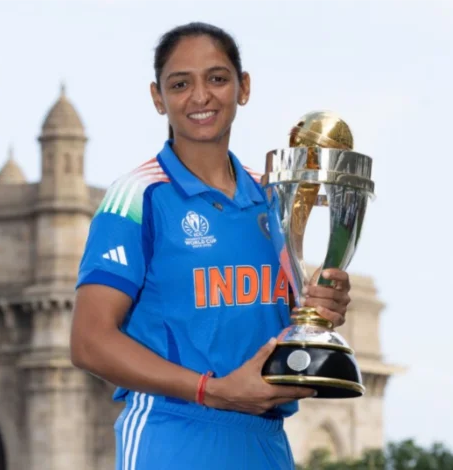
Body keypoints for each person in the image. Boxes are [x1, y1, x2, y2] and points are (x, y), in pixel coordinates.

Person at [70, 22, 353, 470]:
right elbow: (89, 342)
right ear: (158, 97)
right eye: (180, 84)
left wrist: (319, 308)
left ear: (244, 87)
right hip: (173, 434)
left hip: (265, 441)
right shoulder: (138, 196)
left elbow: (278, 318)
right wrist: (213, 391)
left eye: (217, 78)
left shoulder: (274, 197)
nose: (200, 96)